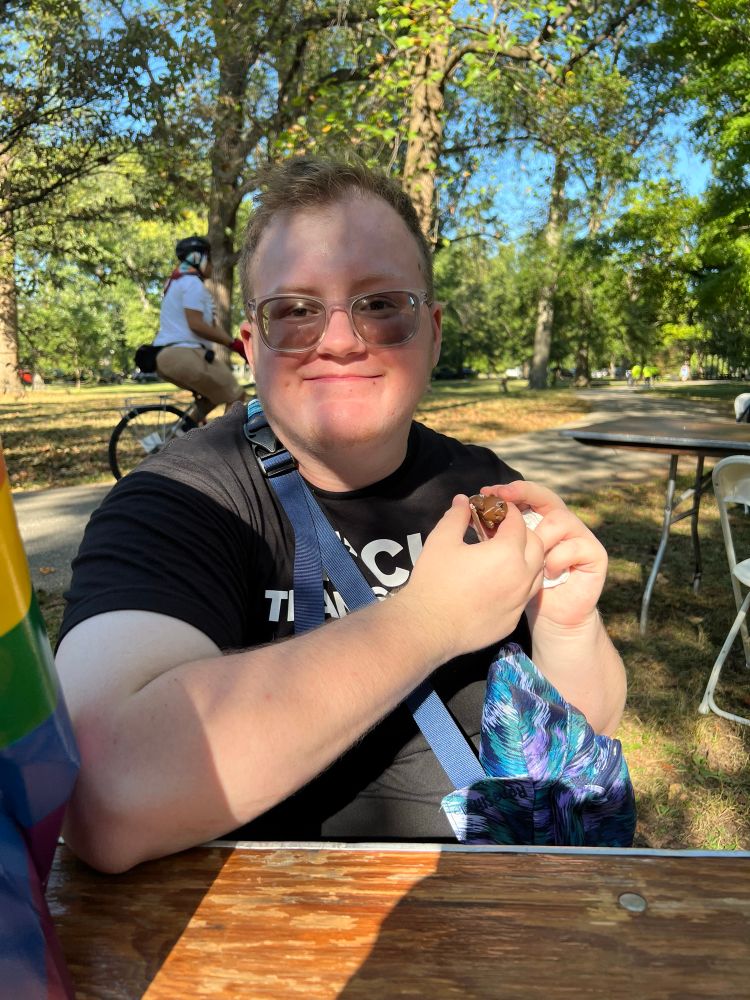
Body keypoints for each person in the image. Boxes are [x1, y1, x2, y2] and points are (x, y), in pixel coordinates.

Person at [55, 157, 626, 873]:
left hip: (493, 896)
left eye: (381, 304)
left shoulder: (485, 486)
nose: (340, 340)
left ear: (433, 333)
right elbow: (100, 796)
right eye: (294, 311)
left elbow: (586, 731)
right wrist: (428, 621)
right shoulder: (180, 503)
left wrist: (568, 627)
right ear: (250, 346)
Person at [153, 235, 246, 418]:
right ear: (198, 258)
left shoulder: (176, 282)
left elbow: (209, 326)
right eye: (209, 259)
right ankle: (227, 438)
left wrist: (236, 344)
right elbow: (196, 324)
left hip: (165, 355)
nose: (212, 265)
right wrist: (234, 344)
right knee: (236, 395)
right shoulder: (192, 284)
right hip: (183, 354)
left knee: (214, 396)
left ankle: (179, 433)